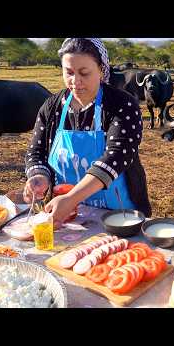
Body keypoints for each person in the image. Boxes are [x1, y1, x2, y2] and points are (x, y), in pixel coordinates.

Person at [23, 38, 152, 227]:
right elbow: (36, 152)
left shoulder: (122, 104)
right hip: (66, 213)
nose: (76, 82)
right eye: (69, 72)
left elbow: (115, 157)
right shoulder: (52, 107)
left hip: (119, 214)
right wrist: (38, 177)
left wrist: (71, 198)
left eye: (84, 73)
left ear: (101, 69)